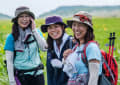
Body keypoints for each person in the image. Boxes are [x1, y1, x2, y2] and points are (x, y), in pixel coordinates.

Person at [4, 6, 47, 85]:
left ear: (31, 19)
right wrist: (12, 81)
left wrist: (34, 30)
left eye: (27, 16)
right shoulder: (11, 37)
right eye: (21, 16)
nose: (24, 19)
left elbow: (44, 48)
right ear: (17, 20)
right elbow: (9, 61)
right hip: (21, 77)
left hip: (38, 75)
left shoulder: (36, 33)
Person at [63, 11, 102, 85]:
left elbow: (94, 78)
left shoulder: (92, 48)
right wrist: (65, 59)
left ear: (87, 28)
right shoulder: (76, 47)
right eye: (74, 25)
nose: (76, 28)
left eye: (80, 25)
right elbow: (72, 73)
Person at [41, 16, 75, 85]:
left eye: (56, 26)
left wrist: (63, 65)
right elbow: (49, 73)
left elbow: (78, 69)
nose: (53, 30)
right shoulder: (51, 47)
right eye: (50, 28)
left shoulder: (72, 43)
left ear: (62, 27)